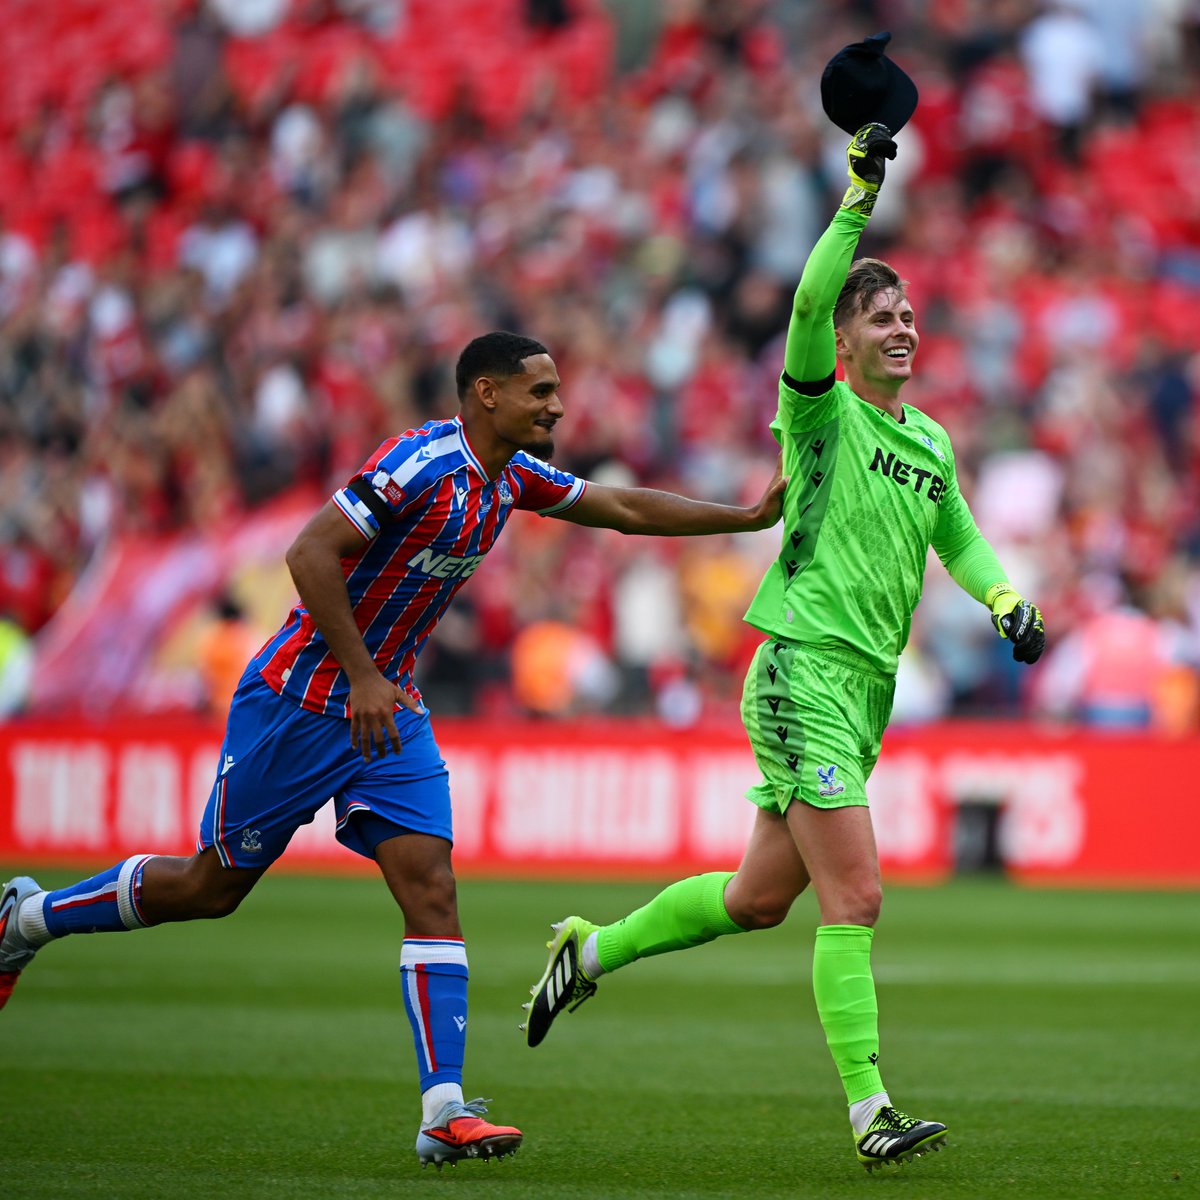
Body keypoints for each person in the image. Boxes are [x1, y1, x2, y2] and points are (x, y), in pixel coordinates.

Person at [0, 331, 786, 1170]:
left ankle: (443, 1112)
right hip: (301, 701)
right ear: (487, 394)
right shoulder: (417, 464)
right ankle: (27, 919)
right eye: (540, 391)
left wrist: (744, 519)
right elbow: (308, 552)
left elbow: (623, 508)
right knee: (209, 887)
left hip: (389, 711)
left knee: (432, 888)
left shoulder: (513, 478)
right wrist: (362, 674)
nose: (557, 406)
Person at [521, 124, 1046, 1173]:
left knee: (758, 901)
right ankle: (871, 1113)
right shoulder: (822, 415)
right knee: (857, 897)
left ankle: (590, 950)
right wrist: (857, 202)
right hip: (801, 667)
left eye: (907, 314)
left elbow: (958, 537)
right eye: (880, 316)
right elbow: (806, 305)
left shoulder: (930, 442)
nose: (902, 327)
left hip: (865, 691)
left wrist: (1004, 597)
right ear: (843, 342)